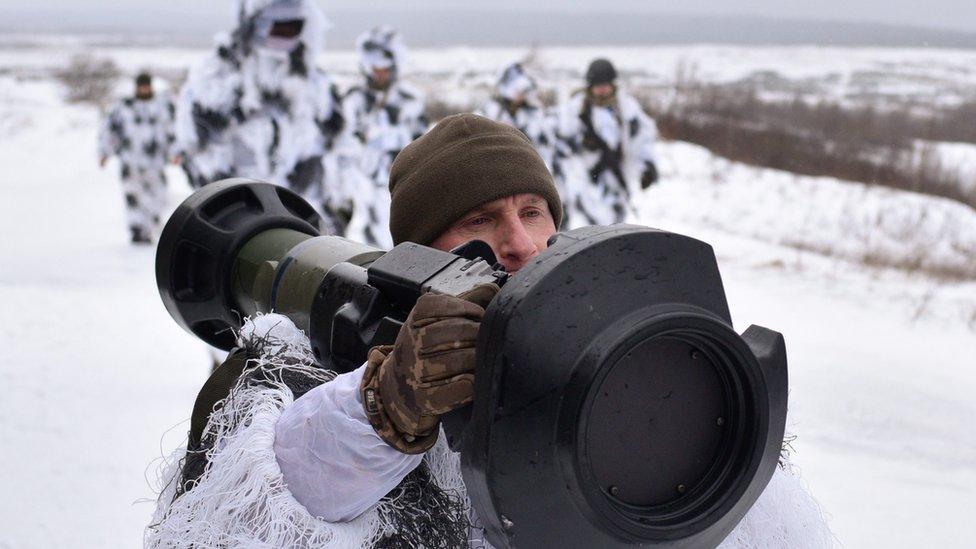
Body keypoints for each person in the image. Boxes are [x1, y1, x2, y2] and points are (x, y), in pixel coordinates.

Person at [147, 115, 831, 548]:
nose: (520, 243)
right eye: (477, 223)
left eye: (532, 210)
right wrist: (385, 409)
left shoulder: (602, 350)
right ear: (416, 255)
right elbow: (249, 519)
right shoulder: (308, 380)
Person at [173, 0, 345, 231]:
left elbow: (328, 139)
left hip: (294, 203)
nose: (286, 35)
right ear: (255, 25)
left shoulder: (311, 81)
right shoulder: (217, 76)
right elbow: (196, 141)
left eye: (294, 27)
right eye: (278, 27)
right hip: (236, 205)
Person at [338, 25, 428, 248]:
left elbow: (423, 143)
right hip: (363, 184)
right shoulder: (353, 100)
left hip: (402, 182)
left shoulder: (410, 102)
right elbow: (343, 144)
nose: (380, 74)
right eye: (374, 68)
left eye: (385, 68)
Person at [558, 58, 660, 226]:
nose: (602, 90)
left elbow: (643, 139)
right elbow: (562, 138)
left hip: (617, 176)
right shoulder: (576, 108)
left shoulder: (627, 108)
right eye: (598, 86)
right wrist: (580, 143)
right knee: (586, 225)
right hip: (586, 178)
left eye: (605, 85)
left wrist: (648, 166)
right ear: (590, 87)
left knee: (615, 223)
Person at [478, 62, 571, 228]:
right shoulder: (489, 113)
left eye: (523, 90)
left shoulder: (535, 114)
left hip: (537, 179)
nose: (520, 94)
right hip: (499, 182)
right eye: (517, 89)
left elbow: (550, 146)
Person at [97, 72, 175, 244]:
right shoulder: (124, 108)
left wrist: (175, 152)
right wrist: (104, 152)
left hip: (155, 163)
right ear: (136, 87)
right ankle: (138, 230)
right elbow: (110, 130)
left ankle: (153, 221)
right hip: (130, 162)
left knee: (158, 196)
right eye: (141, 86)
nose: (144, 89)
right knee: (134, 196)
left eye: (147, 85)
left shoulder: (161, 107)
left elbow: (172, 131)